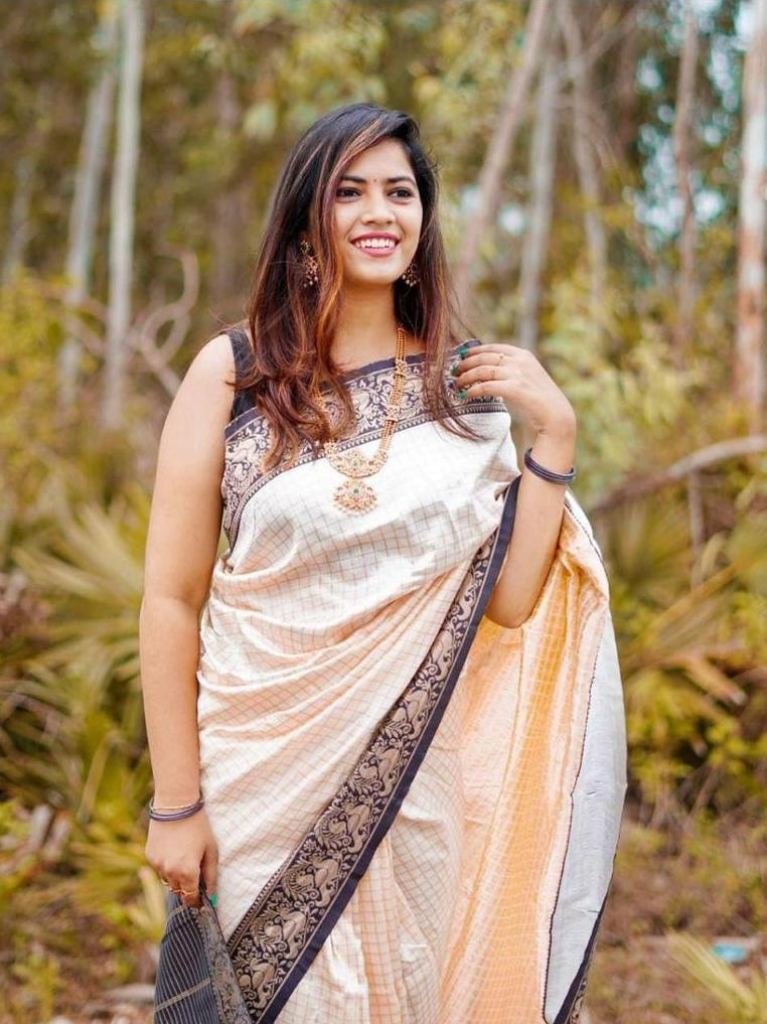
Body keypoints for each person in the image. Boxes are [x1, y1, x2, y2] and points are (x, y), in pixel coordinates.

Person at [139, 102, 626, 1024]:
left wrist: (555, 434)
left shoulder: (462, 393)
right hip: (256, 777)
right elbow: (170, 597)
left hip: (412, 783)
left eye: (399, 192)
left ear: (422, 219)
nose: (378, 212)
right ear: (306, 222)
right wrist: (175, 802)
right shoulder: (234, 374)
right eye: (349, 191)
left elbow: (508, 601)